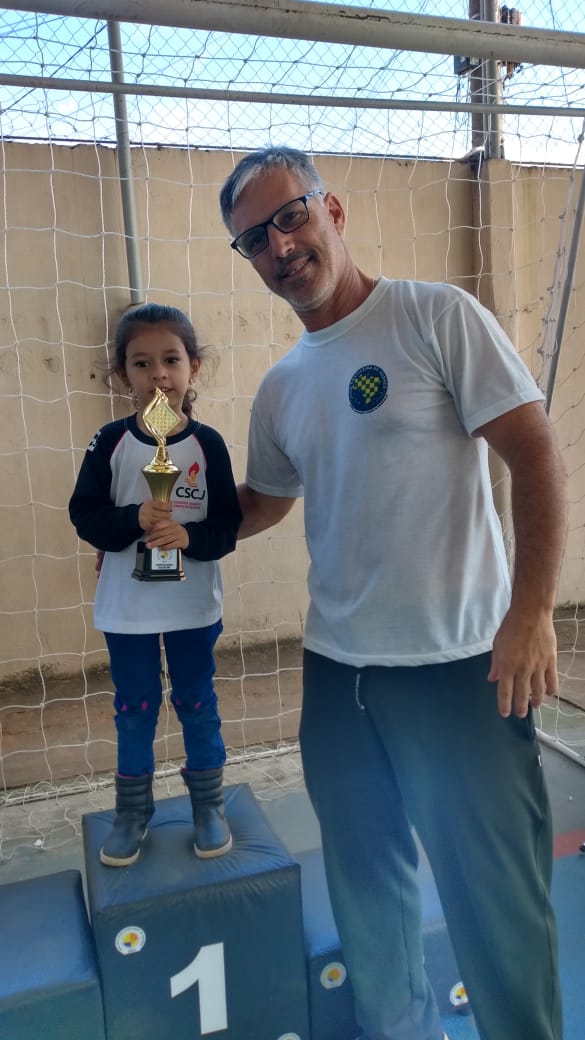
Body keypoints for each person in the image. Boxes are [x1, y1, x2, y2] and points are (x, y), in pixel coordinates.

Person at [219, 147, 568, 1040]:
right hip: (337, 676)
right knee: (368, 896)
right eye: (254, 240)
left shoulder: (432, 315)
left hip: (459, 669)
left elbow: (534, 455)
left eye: (289, 217)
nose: (279, 246)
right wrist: (165, 520)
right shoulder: (282, 387)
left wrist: (531, 612)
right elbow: (262, 503)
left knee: (497, 907)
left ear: (330, 209)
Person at [69, 303, 241, 866]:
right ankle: (132, 812)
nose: (158, 374)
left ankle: (208, 806)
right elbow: (85, 516)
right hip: (129, 610)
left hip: (192, 607)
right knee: (135, 706)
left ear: (193, 367)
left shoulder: (208, 445)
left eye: (171, 360)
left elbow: (227, 526)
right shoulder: (108, 443)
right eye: (141, 363)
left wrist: (189, 538)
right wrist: (133, 520)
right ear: (123, 374)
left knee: (196, 701)